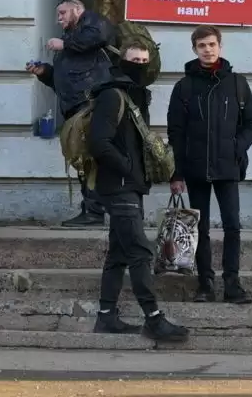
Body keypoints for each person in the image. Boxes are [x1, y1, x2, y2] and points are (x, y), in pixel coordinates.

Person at [89, 43, 188, 341]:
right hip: (119, 187)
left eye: (145, 61)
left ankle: (106, 317)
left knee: (118, 254)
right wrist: (127, 167)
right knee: (140, 251)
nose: (140, 65)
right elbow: (98, 143)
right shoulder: (112, 96)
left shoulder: (132, 96)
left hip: (129, 187)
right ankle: (153, 319)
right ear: (122, 62)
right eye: (134, 60)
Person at [167, 25, 252, 305]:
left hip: (228, 167)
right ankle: (205, 283)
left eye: (211, 44)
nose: (207, 50)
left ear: (220, 46)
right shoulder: (184, 87)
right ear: (194, 49)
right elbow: (176, 132)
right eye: (201, 46)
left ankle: (232, 283)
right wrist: (177, 172)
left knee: (233, 226)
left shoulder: (237, 83)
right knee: (200, 228)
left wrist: (235, 147)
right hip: (195, 169)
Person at [27, 0, 115, 227]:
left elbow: (100, 35)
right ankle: (91, 209)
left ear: (77, 10)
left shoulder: (92, 24)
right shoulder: (73, 42)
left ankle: (94, 212)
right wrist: (44, 72)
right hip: (75, 109)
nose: (59, 19)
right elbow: (64, 82)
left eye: (63, 13)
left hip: (90, 108)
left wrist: (64, 45)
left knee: (89, 160)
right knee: (83, 160)